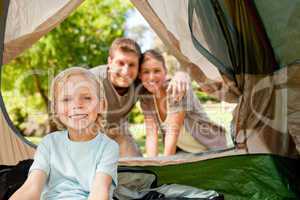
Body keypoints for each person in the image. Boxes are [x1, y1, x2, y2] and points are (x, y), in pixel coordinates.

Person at [9, 67, 119, 200]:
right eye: (66, 99)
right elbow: (32, 187)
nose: (77, 104)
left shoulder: (108, 147)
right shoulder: (49, 143)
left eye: (87, 97)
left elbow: (99, 192)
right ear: (55, 108)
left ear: (101, 105)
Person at [90, 37, 190, 157]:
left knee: (138, 168)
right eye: (120, 63)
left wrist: (181, 74)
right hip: (87, 133)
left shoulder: (141, 83)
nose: (126, 71)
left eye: (132, 65)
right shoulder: (91, 79)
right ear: (110, 62)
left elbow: (160, 81)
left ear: (138, 70)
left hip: (118, 131)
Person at [139, 50, 227, 157]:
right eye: (146, 72)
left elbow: (172, 133)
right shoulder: (146, 98)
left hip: (211, 148)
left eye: (156, 71)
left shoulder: (177, 88)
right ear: (140, 75)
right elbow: (151, 135)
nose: (151, 77)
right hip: (185, 152)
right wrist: (151, 166)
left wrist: (164, 166)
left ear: (165, 72)